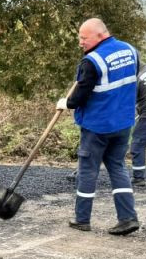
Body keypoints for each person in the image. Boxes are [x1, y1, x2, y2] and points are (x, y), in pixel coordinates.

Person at [59, 18, 140, 235]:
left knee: (87, 170)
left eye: (83, 38)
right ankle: (128, 218)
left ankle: (82, 219)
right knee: (117, 166)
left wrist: (66, 103)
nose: (80, 42)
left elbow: (80, 96)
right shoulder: (130, 51)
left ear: (99, 35)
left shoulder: (91, 61)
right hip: (123, 124)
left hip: (97, 127)